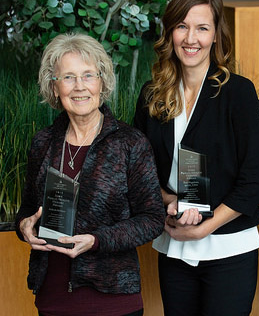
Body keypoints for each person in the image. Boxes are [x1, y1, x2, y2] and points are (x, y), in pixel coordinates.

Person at [134, 0, 259, 316]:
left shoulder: (238, 93)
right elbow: (138, 171)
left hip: (229, 247)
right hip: (174, 242)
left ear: (216, 35)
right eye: (182, 26)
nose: (190, 38)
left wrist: (207, 226)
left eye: (202, 28)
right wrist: (169, 204)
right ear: (170, 32)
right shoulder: (153, 94)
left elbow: (254, 179)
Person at [15, 33, 165, 316]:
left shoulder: (130, 143)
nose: (79, 87)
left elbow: (152, 219)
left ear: (102, 81)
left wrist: (96, 240)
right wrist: (24, 227)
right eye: (68, 77)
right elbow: (27, 210)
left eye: (88, 75)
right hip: (53, 298)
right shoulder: (43, 142)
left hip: (113, 300)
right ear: (54, 85)